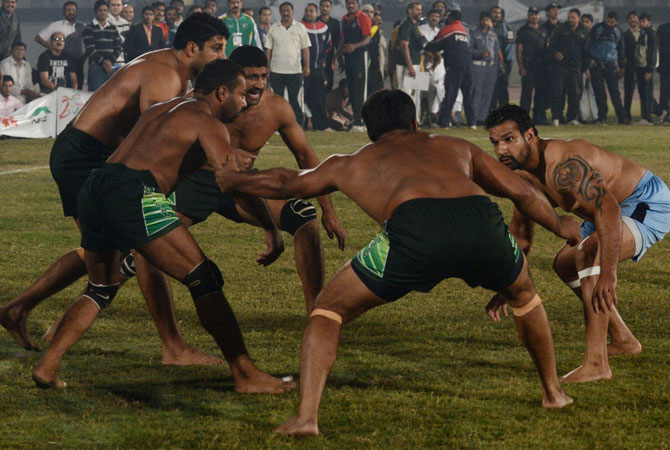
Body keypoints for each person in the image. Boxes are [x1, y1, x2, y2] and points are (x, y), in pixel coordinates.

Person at [216, 89, 579, 436]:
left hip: (414, 231)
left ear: (371, 131)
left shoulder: (353, 161)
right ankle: (553, 393)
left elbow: (287, 183)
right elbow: (521, 191)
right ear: (415, 122)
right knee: (525, 296)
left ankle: (306, 417)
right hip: (480, 224)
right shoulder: (455, 146)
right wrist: (560, 224)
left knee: (327, 309)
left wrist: (236, 179)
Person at [30, 59, 295, 395]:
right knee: (204, 278)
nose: (246, 103)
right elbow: (233, 182)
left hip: (96, 184)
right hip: (132, 191)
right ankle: (245, 374)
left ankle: (47, 365)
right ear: (222, 92)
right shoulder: (208, 123)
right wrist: (272, 227)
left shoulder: (165, 106)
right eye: (242, 95)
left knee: (100, 286)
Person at [0, 14, 233, 367]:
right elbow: (153, 132)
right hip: (87, 156)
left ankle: (21, 309)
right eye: (216, 49)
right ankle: (173, 346)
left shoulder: (171, 73)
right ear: (191, 48)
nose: (221, 57)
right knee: (143, 247)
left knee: (103, 253)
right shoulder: (166, 74)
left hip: (86, 154)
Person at [486, 104, 670, 383]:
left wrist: (608, 273)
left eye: (509, 139)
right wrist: (507, 285)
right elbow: (522, 236)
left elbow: (608, 210)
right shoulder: (522, 178)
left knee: (587, 254)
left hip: (643, 203)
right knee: (564, 264)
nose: (501, 150)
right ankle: (622, 339)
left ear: (530, 135)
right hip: (604, 212)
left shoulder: (564, 165)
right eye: (495, 143)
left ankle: (597, 364)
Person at [167, 45, 346, 314]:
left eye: (264, 76)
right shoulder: (204, 101)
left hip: (241, 188)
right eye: (251, 77)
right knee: (139, 248)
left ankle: (315, 312)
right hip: (195, 184)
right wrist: (222, 153)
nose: (258, 84)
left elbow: (305, 156)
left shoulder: (277, 108)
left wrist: (328, 209)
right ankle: (96, 279)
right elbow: (170, 146)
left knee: (303, 216)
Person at [424, 10, 475, 129]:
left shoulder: (449, 29)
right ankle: (472, 123)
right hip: (468, 65)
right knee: (468, 94)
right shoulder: (464, 31)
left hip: (455, 65)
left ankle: (444, 122)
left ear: (451, 18)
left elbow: (435, 43)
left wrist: (426, 48)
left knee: (450, 94)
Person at [265, 1, 310, 126]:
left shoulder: (300, 27)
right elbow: (268, 49)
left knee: (295, 100)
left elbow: (305, 49)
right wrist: (267, 68)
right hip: (276, 70)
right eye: (283, 11)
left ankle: (298, 125)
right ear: (279, 12)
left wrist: (307, 66)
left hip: (295, 71)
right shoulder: (274, 28)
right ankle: (275, 125)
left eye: (288, 10)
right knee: (276, 101)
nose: (286, 13)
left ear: (292, 12)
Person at [549, 8, 590, 127]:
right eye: (569, 17)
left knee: (575, 93)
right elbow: (551, 46)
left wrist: (583, 67)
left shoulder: (584, 31)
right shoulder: (560, 29)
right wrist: (555, 53)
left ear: (578, 18)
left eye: (573, 17)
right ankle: (557, 117)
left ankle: (572, 118)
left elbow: (587, 52)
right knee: (558, 92)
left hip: (576, 67)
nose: (570, 20)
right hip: (560, 67)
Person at [336, 0, 371, 132]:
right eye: (348, 3)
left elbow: (367, 38)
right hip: (348, 58)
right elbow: (343, 39)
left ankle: (361, 122)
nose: (350, 5)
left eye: (353, 3)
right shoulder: (345, 19)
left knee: (360, 90)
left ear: (358, 4)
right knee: (352, 90)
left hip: (360, 57)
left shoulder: (363, 17)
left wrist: (354, 46)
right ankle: (356, 120)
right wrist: (336, 56)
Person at [35, 1, 85, 90]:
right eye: (68, 10)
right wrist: (52, 48)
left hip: (78, 62)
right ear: (63, 12)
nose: (71, 12)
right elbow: (38, 38)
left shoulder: (83, 26)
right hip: (59, 62)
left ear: (76, 12)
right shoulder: (55, 25)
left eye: (73, 10)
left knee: (77, 87)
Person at [589, 11, 627, 125]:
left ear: (616, 21)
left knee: (614, 92)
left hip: (611, 65)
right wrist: (590, 59)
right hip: (596, 64)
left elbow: (621, 50)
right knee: (599, 92)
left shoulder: (618, 31)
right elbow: (588, 44)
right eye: (609, 20)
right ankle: (602, 117)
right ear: (606, 19)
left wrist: (622, 67)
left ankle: (622, 117)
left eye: (613, 21)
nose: (610, 23)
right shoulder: (597, 28)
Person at [301, 2, 331, 130]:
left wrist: (323, 60)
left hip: (318, 69)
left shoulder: (324, 27)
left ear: (317, 13)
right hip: (303, 69)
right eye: (307, 11)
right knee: (301, 97)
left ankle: (321, 125)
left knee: (319, 98)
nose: (309, 13)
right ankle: (300, 124)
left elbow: (328, 46)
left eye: (311, 11)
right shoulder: (300, 26)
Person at [82, 0, 123, 91]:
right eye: (100, 10)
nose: (103, 12)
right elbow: (90, 49)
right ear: (96, 11)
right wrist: (103, 62)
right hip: (96, 67)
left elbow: (118, 47)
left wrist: (110, 61)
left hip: (111, 67)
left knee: (112, 93)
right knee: (95, 95)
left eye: (105, 10)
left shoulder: (113, 28)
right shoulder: (89, 28)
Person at [470, 11, 499, 126]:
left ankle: (482, 118)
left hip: (491, 67)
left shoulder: (493, 34)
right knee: (477, 93)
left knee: (488, 93)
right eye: (483, 20)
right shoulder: (474, 33)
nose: (485, 22)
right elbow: (469, 50)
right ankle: (473, 117)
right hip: (478, 66)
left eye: (487, 20)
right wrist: (480, 53)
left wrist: (499, 66)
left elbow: (497, 51)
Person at [394, 1, 423, 120]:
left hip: (416, 63)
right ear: (409, 11)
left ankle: (414, 120)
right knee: (406, 94)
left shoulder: (415, 24)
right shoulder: (406, 24)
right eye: (417, 9)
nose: (420, 12)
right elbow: (404, 46)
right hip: (407, 65)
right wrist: (410, 66)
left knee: (415, 94)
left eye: (420, 9)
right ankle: (403, 121)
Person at [534, 2, 560, 125]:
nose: (556, 11)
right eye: (553, 9)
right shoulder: (542, 28)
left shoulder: (561, 27)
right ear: (548, 12)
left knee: (557, 91)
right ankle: (540, 115)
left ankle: (557, 115)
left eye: (556, 9)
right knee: (541, 91)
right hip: (544, 64)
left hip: (558, 65)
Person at [516, 7, 543, 120]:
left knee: (541, 92)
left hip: (541, 66)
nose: (534, 17)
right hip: (528, 65)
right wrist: (521, 66)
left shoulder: (543, 29)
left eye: (536, 14)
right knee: (526, 93)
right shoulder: (523, 30)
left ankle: (539, 116)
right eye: (532, 14)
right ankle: (524, 117)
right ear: (528, 16)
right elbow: (519, 49)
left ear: (539, 16)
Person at [635, 13, 658, 125]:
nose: (641, 23)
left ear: (649, 22)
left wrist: (650, 69)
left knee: (647, 92)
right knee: (643, 92)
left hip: (646, 68)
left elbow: (652, 53)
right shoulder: (643, 33)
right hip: (640, 67)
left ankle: (648, 117)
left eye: (644, 21)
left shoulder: (651, 34)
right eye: (640, 21)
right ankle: (645, 115)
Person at [490, 5, 513, 110]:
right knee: (490, 90)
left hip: (502, 63)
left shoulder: (506, 29)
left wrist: (508, 64)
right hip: (488, 64)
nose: (496, 15)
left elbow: (510, 46)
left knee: (502, 89)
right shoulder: (486, 26)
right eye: (494, 12)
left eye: (498, 13)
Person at [578, 13, 598, 123]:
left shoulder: (593, 36)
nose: (585, 24)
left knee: (592, 91)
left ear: (591, 23)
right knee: (582, 92)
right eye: (583, 22)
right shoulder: (579, 35)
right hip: (582, 68)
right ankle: (584, 116)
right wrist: (586, 68)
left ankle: (595, 116)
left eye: (587, 22)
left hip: (594, 68)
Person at [318, 0, 339, 92]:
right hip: (317, 58)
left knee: (329, 81)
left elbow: (337, 42)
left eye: (327, 6)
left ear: (331, 8)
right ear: (319, 8)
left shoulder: (335, 23)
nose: (324, 8)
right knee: (317, 81)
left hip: (330, 57)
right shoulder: (315, 21)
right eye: (322, 6)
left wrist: (337, 58)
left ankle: (327, 104)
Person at [622, 11, 639, 123]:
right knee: (628, 92)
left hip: (643, 67)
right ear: (627, 21)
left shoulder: (644, 33)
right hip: (630, 67)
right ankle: (626, 115)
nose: (632, 20)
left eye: (634, 17)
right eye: (630, 18)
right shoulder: (625, 35)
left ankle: (650, 113)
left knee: (646, 92)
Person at [108, 0, 130, 64]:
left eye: (118, 5)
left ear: (122, 7)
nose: (116, 8)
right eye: (113, 5)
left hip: (123, 60)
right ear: (109, 6)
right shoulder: (105, 21)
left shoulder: (125, 23)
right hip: (109, 60)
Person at [658, 19, 670, 123]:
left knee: (664, 89)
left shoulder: (662, 28)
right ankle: (664, 111)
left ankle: (665, 112)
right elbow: (658, 47)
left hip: (664, 65)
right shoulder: (662, 29)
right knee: (664, 90)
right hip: (665, 65)